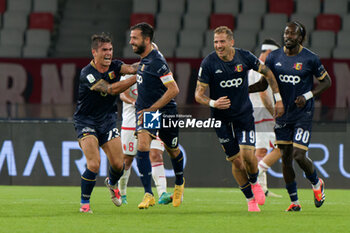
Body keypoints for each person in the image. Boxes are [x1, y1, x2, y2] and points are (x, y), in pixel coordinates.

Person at [195, 26, 284, 212]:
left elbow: (268, 73)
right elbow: (198, 94)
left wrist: (278, 98)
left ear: (231, 42)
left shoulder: (244, 57)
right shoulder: (209, 63)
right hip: (221, 119)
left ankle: (255, 182)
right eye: (216, 42)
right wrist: (213, 103)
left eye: (222, 41)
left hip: (243, 116)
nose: (218, 46)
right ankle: (250, 199)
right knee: (236, 162)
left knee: (248, 157)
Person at [249, 21, 331, 211]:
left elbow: (326, 82)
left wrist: (307, 96)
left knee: (299, 155)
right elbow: (263, 84)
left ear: (300, 37)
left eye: (292, 34)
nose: (288, 36)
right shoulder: (273, 58)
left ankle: (316, 184)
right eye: (286, 33)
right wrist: (242, 89)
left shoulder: (310, 58)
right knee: (285, 159)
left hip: (303, 114)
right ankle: (294, 202)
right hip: (283, 115)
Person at [73, 33, 139, 213]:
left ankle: (111, 183)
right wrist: (138, 77)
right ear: (94, 52)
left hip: (107, 121)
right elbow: (110, 89)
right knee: (94, 164)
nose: (108, 53)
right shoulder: (87, 73)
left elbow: (132, 68)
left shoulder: (116, 66)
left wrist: (149, 64)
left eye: (110, 49)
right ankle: (84, 204)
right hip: (86, 121)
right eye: (104, 50)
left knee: (119, 165)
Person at [129, 22, 185, 209]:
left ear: (146, 40)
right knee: (143, 147)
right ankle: (148, 194)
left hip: (164, 111)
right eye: (131, 38)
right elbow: (155, 48)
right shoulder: (148, 55)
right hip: (147, 112)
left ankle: (179, 184)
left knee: (173, 150)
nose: (131, 42)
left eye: (135, 38)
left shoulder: (156, 62)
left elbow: (173, 89)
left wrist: (153, 109)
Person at [118, 73, 172, 205]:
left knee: (156, 154)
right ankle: (121, 193)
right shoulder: (128, 75)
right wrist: (134, 102)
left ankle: (162, 193)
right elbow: (122, 94)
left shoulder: (158, 72)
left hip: (151, 117)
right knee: (127, 159)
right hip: (131, 121)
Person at [248, 39, 283, 198]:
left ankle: (261, 188)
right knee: (284, 145)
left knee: (261, 150)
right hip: (263, 114)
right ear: (269, 52)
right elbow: (263, 94)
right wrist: (274, 113)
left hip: (255, 114)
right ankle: (256, 177)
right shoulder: (261, 69)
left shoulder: (253, 68)